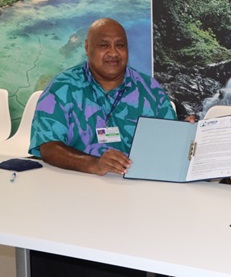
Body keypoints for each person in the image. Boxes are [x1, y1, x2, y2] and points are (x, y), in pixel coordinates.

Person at [29, 18, 177, 176]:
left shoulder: (151, 89)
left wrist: (187, 133)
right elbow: (48, 146)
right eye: (104, 45)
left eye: (120, 45)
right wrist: (93, 164)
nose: (113, 53)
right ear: (87, 47)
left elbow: (170, 142)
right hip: (78, 181)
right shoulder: (62, 87)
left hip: (135, 184)